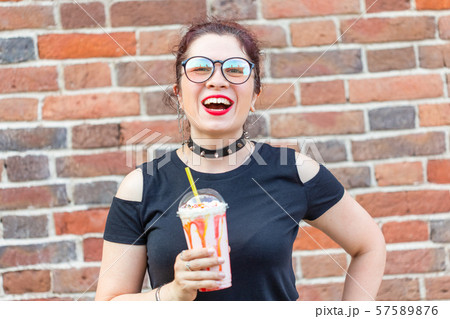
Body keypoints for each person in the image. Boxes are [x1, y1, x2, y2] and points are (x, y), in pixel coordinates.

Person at [95, 18, 386, 301]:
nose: (217, 81)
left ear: (255, 93)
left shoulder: (295, 171)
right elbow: (107, 306)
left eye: (235, 69)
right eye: (199, 68)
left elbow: (369, 245)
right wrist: (172, 294)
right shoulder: (142, 187)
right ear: (179, 94)